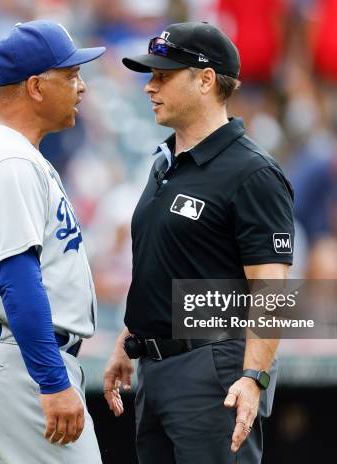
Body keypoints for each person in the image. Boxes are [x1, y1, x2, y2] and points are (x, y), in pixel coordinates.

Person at [103, 22, 295, 463]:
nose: (150, 87)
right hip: (156, 371)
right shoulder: (165, 164)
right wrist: (130, 337)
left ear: (206, 80)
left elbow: (271, 289)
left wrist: (253, 377)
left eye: (163, 75)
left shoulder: (252, 172)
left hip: (213, 371)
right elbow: (169, 262)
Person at [0, 20, 105, 463]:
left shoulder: (10, 153)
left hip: (6, 358)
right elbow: (18, 280)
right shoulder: (11, 161)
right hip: (20, 364)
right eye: (71, 77)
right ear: (36, 87)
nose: (82, 88)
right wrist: (52, 381)